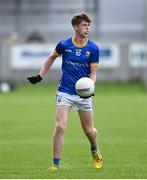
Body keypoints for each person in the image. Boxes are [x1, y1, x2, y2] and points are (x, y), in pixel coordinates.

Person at [27, 12, 103, 171]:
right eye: (84, 25)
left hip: (84, 94)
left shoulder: (93, 48)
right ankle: (55, 164)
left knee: (89, 131)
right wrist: (40, 75)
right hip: (65, 92)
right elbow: (51, 58)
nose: (87, 28)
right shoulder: (64, 45)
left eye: (89, 25)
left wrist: (91, 87)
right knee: (60, 126)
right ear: (75, 27)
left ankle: (95, 149)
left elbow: (93, 74)